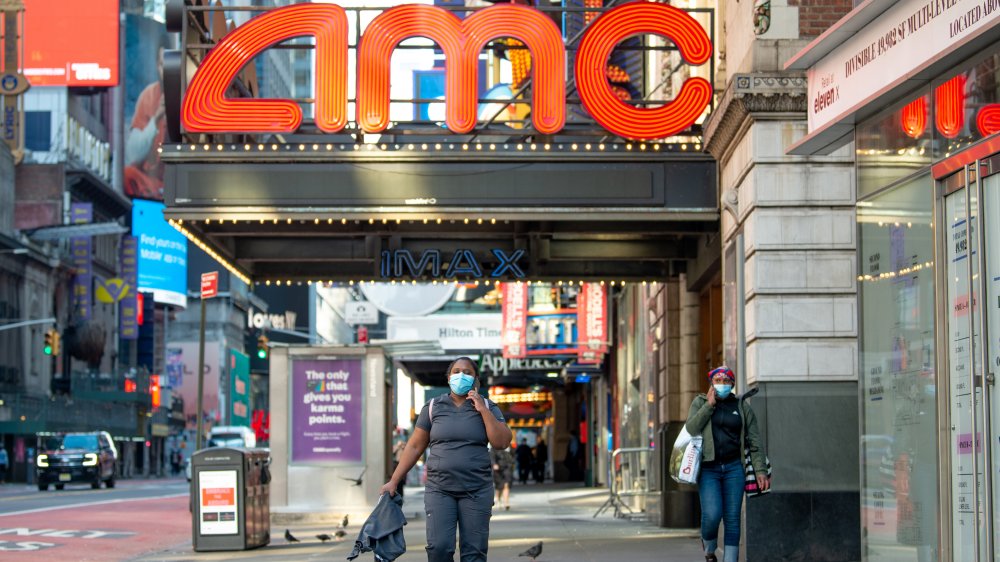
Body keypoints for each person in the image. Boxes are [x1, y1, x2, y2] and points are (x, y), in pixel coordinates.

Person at [379, 357, 512, 562]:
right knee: (439, 548)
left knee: (474, 552)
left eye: (467, 372)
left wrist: (482, 410)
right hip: (439, 489)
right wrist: (394, 481)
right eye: (456, 371)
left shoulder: (488, 406)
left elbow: (501, 442)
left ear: (476, 379)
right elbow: (414, 446)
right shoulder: (433, 407)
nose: (461, 375)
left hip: (477, 490)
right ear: (449, 377)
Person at [686, 366, 770, 562]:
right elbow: (691, 428)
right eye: (718, 380)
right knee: (712, 514)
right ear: (711, 383)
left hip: (734, 468)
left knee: (732, 520)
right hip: (708, 469)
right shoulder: (700, 402)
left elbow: (754, 440)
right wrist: (709, 405)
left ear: (732, 384)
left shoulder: (741, 407)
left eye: (726, 381)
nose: (721, 384)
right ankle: (709, 548)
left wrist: (760, 470)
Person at [490, 440, 514, 510]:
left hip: (507, 468)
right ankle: (498, 498)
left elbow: (513, 455)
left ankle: (506, 502)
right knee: (499, 486)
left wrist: (512, 463)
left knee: (506, 485)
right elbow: (492, 457)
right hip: (498, 469)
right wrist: (494, 464)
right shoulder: (494, 447)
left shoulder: (509, 446)